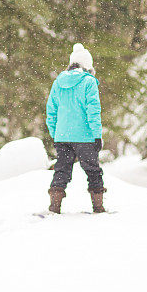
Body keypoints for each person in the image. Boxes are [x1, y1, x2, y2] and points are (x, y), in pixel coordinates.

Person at [46, 43, 105, 213]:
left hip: (62, 136)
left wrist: (55, 133)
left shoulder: (58, 82)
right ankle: (98, 206)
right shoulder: (89, 82)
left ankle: (54, 206)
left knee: (61, 170)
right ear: (87, 65)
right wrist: (97, 135)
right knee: (93, 171)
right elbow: (93, 111)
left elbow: (51, 110)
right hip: (85, 136)